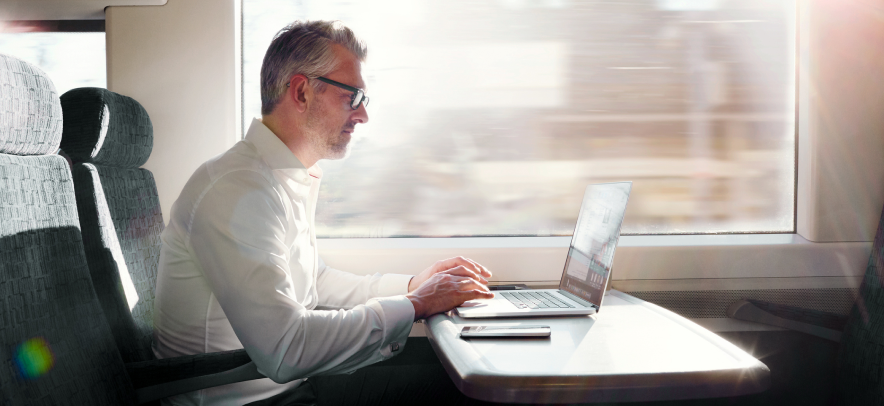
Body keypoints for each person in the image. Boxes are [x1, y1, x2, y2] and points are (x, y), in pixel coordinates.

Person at [152, 20, 494, 406]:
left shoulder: (282, 176)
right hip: (246, 401)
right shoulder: (237, 188)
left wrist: (414, 284)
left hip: (283, 388)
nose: (362, 116)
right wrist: (417, 304)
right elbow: (286, 349)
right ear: (301, 91)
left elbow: (315, 282)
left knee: (456, 381)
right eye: (353, 97)